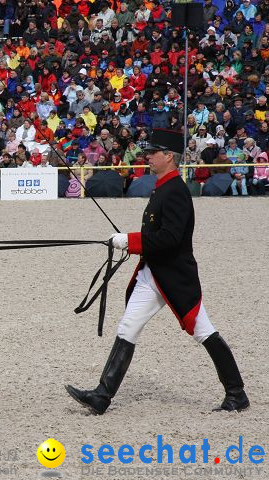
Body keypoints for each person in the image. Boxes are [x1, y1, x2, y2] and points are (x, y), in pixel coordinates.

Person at [66, 137, 250, 415]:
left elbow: (171, 238)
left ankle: (237, 394)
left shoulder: (175, 190)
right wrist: (131, 242)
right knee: (128, 327)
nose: (148, 157)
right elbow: (156, 234)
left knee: (203, 331)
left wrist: (130, 240)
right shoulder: (162, 188)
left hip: (174, 277)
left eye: (153, 152)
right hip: (151, 274)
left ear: (169, 156)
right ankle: (102, 396)